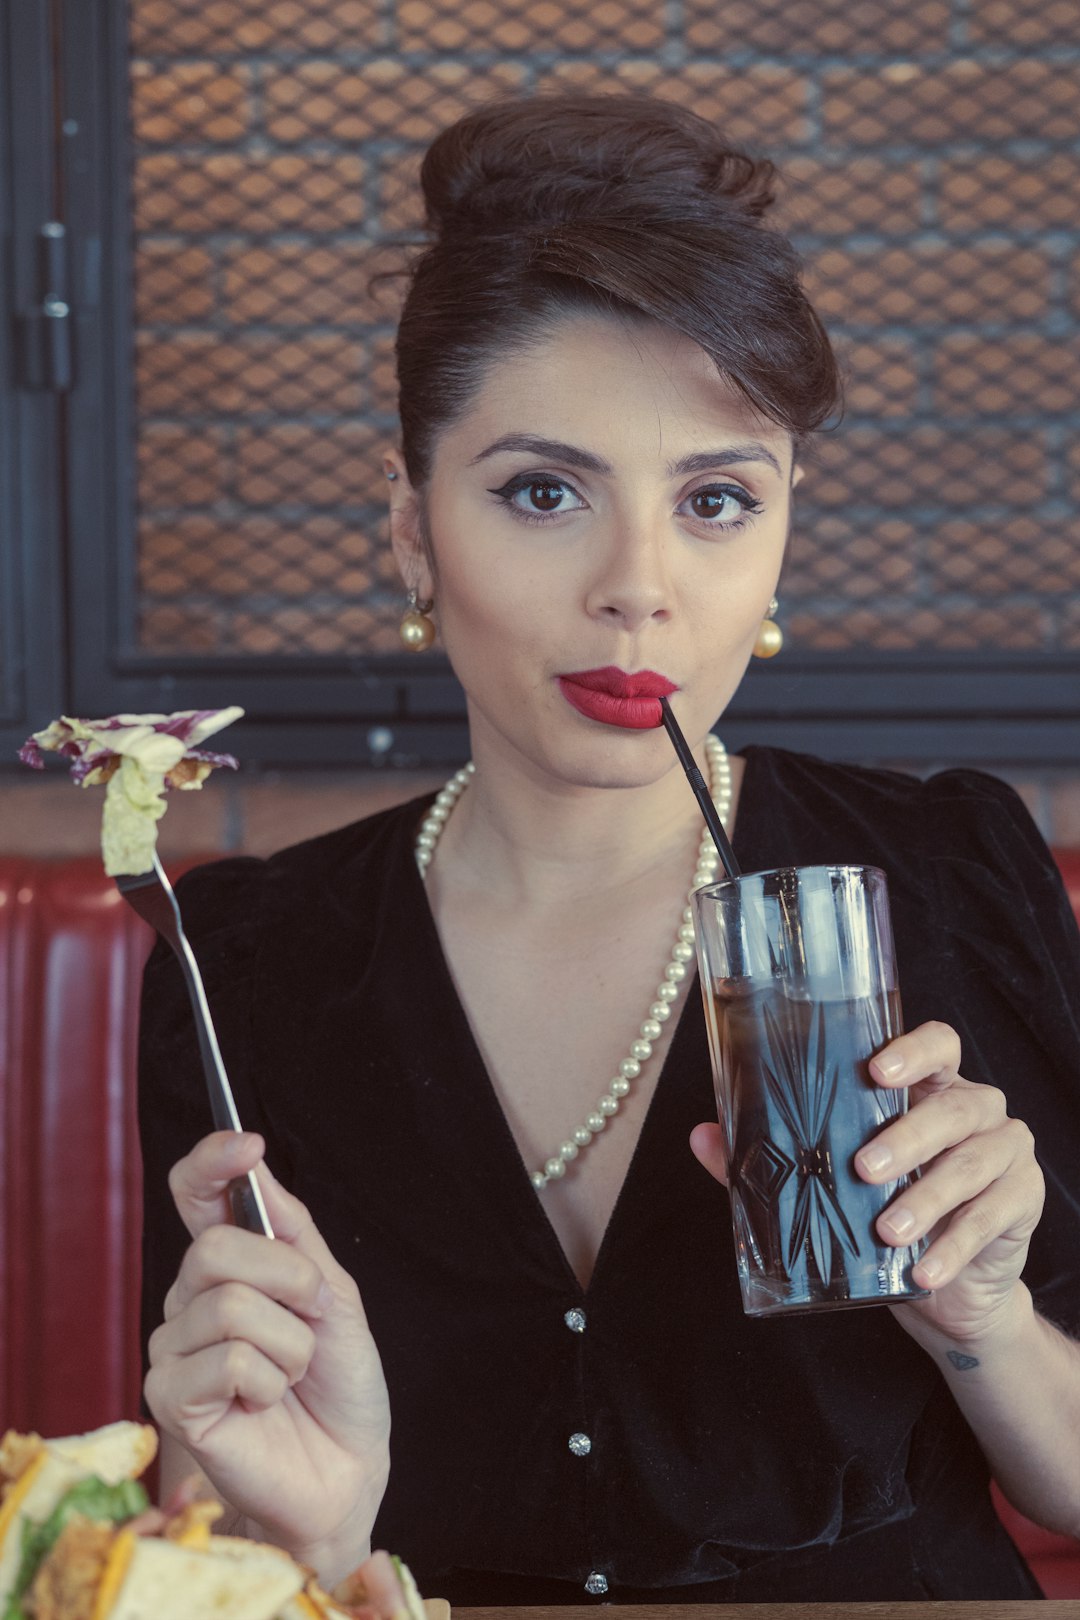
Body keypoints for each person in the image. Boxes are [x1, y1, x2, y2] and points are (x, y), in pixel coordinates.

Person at [137, 94, 1080, 1606]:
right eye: (543, 492)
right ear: (411, 535)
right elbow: (215, 1525)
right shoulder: (244, 957)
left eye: (716, 501)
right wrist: (291, 1525)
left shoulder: (940, 873)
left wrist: (980, 1313)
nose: (639, 587)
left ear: (781, 532)